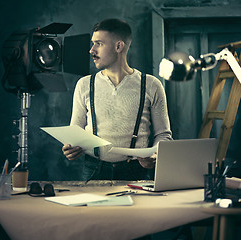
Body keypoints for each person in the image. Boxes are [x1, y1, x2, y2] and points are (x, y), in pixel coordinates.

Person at [62, 18, 172, 181]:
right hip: (93, 170)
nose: (92, 50)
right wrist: (70, 148)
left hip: (136, 172)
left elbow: (164, 135)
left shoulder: (151, 85)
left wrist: (156, 153)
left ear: (119, 46)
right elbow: (75, 131)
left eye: (98, 43)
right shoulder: (84, 85)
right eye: (93, 43)